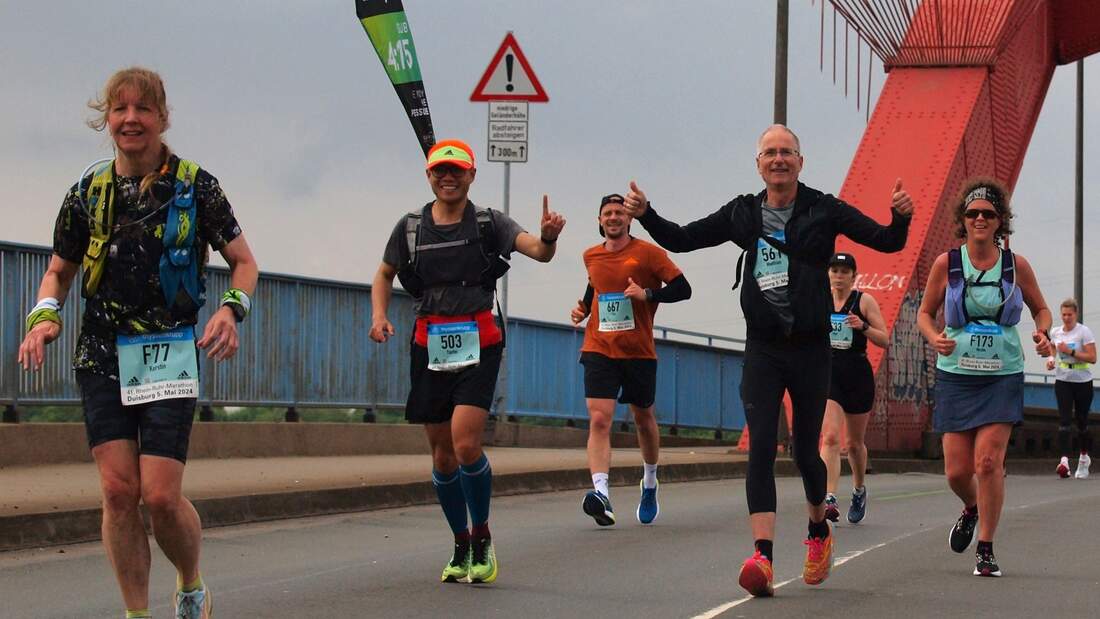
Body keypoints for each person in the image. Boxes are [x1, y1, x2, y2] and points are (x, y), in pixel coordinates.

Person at [624, 124, 913, 596]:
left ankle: (818, 527)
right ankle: (762, 556)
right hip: (763, 347)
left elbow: (886, 240)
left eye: (787, 152)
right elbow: (681, 239)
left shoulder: (824, 209)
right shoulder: (742, 213)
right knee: (761, 446)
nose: (778, 160)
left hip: (810, 348)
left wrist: (899, 218)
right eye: (769, 153)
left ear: (801, 162)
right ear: (758, 164)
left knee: (804, 451)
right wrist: (647, 214)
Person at [17, 67, 258, 619]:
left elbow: (244, 263)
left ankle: (191, 584)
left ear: (161, 118)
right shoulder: (87, 192)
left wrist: (231, 308)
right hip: (101, 354)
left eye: (142, 110)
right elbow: (58, 272)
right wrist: (43, 317)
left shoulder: (197, 187)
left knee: (160, 496)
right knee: (119, 492)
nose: (131, 120)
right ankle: (137, 613)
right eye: (120, 110)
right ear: (107, 119)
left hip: (169, 354)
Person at [369, 139, 565, 585]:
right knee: (441, 456)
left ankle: (482, 536)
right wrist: (379, 315)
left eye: (456, 170)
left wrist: (549, 237)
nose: (448, 177)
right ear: (429, 177)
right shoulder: (411, 227)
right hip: (429, 344)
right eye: (440, 171)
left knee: (465, 444)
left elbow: (536, 250)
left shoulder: (488, 222)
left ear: (472, 175)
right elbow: (383, 274)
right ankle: (460, 544)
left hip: (480, 341)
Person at [917, 178, 1051, 577]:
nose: (979, 219)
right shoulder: (947, 263)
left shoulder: (1015, 265)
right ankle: (971, 507)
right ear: (962, 218)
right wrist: (933, 337)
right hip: (957, 374)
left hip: (1001, 373)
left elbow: (1040, 309)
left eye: (988, 214)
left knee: (988, 461)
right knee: (957, 471)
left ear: (1000, 222)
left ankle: (987, 547)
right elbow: (925, 313)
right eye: (973, 213)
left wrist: (1044, 333)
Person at [569, 193, 691, 527]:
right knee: (599, 419)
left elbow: (684, 288)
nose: (613, 217)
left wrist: (648, 294)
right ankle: (601, 494)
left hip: (638, 351)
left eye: (619, 213)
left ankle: (650, 480)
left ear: (629, 219)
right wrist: (582, 307)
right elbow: (595, 286)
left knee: (643, 419)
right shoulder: (590, 255)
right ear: (599, 220)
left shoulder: (649, 253)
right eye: (607, 213)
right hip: (598, 347)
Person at [820, 252, 889, 525]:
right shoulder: (819, 299)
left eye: (844, 271)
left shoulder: (864, 301)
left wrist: (863, 327)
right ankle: (829, 497)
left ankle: (859, 488)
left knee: (854, 444)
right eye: (834, 270)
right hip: (829, 373)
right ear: (828, 274)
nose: (839, 276)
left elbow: (883, 339)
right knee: (831, 438)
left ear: (853, 275)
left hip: (857, 374)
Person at [1046, 298, 1095, 479]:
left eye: (1070, 315)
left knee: (1082, 422)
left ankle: (1084, 458)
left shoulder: (1084, 332)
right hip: (1063, 379)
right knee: (1064, 422)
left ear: (1076, 314)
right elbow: (1052, 346)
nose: (1066, 318)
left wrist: (1071, 351)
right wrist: (1051, 360)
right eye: (1064, 314)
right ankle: (1064, 462)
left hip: (1082, 381)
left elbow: (1092, 357)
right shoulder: (1056, 332)